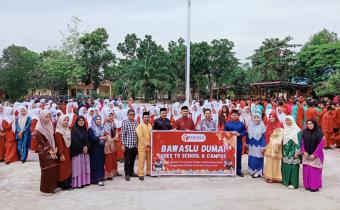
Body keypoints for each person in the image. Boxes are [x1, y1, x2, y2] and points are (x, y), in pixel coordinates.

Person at [35, 110, 59, 195]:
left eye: (49, 116)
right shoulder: (38, 129)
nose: (48, 118)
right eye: (46, 117)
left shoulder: (50, 125)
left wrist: (55, 148)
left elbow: (53, 137)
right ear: (41, 117)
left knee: (53, 169)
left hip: (51, 149)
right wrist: (50, 151)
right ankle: (44, 190)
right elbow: (42, 142)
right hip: (44, 152)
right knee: (46, 170)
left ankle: (51, 188)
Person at [302, 120, 324, 192]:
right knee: (307, 171)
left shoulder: (319, 133)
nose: (309, 125)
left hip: (316, 155)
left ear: (314, 124)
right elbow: (302, 143)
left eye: (311, 124)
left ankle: (314, 187)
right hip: (306, 155)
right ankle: (307, 185)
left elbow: (320, 145)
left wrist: (314, 154)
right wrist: (304, 152)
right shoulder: (305, 132)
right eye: (308, 124)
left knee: (314, 171)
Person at [224, 109, 247, 177]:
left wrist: (239, 134)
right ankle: (229, 170)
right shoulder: (227, 124)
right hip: (230, 143)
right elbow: (225, 133)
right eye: (233, 115)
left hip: (238, 143)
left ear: (238, 116)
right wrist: (231, 133)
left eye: (236, 115)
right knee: (229, 156)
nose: (234, 116)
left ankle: (238, 171)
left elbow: (245, 132)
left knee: (238, 157)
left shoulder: (241, 124)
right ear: (231, 116)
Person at [70, 116, 91, 188]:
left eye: (82, 120)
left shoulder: (85, 129)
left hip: (84, 152)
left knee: (84, 167)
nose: (81, 122)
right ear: (77, 121)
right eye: (79, 120)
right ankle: (77, 183)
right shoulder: (74, 130)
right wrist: (83, 148)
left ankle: (84, 182)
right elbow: (74, 141)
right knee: (78, 168)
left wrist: (87, 147)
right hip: (77, 152)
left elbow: (88, 140)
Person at [282, 115, 302, 189]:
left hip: (294, 151)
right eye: (286, 120)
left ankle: (294, 183)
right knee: (286, 166)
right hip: (285, 151)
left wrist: (297, 152)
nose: (287, 122)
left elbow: (299, 143)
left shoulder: (297, 131)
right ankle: (286, 181)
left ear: (293, 121)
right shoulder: (284, 130)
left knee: (294, 168)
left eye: (289, 120)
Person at [54, 115, 72, 190]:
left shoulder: (67, 129)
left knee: (67, 167)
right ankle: (63, 184)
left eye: (67, 120)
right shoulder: (58, 132)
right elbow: (59, 144)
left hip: (68, 151)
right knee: (63, 168)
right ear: (60, 121)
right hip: (63, 152)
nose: (66, 122)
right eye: (64, 120)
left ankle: (67, 183)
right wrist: (61, 154)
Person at [88, 115, 107, 186]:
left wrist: (104, 138)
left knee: (101, 163)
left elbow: (105, 136)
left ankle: (101, 177)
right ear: (94, 120)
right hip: (94, 149)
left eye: (100, 119)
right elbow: (92, 138)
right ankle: (96, 179)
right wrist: (101, 138)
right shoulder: (91, 128)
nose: (99, 120)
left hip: (101, 148)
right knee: (95, 163)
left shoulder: (102, 128)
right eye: (97, 119)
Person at [246, 114, 266, 178]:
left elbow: (263, 138)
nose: (256, 119)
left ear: (260, 118)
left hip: (259, 145)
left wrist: (263, 147)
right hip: (251, 145)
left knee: (258, 158)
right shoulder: (250, 125)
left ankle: (258, 172)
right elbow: (247, 136)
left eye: (258, 117)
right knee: (252, 158)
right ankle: (252, 170)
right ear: (253, 118)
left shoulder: (262, 126)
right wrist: (246, 144)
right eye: (255, 117)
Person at [122, 109, 138, 181]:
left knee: (133, 160)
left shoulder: (136, 122)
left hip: (134, 144)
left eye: (133, 114)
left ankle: (131, 172)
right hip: (127, 145)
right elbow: (123, 134)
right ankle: (127, 174)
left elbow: (137, 133)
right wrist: (123, 144)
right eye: (130, 114)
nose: (132, 116)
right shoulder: (125, 122)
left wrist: (137, 143)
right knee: (127, 160)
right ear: (128, 115)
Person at [103, 111, 121, 180]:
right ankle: (109, 174)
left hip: (114, 142)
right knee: (109, 158)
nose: (111, 117)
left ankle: (115, 172)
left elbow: (116, 130)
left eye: (112, 116)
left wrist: (116, 135)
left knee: (114, 157)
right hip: (108, 144)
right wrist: (113, 139)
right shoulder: (105, 124)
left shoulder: (113, 123)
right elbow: (106, 134)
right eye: (109, 116)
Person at [136, 111, 152, 181]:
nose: (147, 118)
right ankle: (140, 174)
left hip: (149, 146)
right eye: (145, 117)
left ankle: (148, 172)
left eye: (148, 117)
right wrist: (147, 144)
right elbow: (140, 136)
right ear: (143, 118)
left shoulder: (150, 125)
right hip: (142, 146)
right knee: (141, 161)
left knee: (149, 160)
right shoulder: (140, 126)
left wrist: (150, 144)